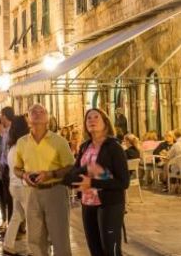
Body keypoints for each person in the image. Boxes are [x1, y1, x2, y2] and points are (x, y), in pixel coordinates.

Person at [14, 104, 75, 256]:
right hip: (31, 193)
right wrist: (24, 175)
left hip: (55, 191)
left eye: (41, 111)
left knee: (60, 238)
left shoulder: (59, 141)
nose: (37, 113)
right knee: (34, 239)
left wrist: (50, 174)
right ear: (28, 119)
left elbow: (70, 167)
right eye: (33, 111)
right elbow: (16, 168)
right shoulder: (22, 142)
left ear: (47, 118)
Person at [69, 108, 129, 256]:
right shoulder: (84, 147)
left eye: (96, 117)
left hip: (109, 204)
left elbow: (123, 182)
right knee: (95, 249)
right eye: (88, 118)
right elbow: (76, 172)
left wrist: (93, 182)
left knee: (110, 250)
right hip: (87, 204)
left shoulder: (114, 147)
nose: (92, 120)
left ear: (105, 123)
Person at [3, 115, 31, 256]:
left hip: (14, 186)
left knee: (17, 215)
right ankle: (33, 249)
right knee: (31, 217)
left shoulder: (12, 147)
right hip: (23, 186)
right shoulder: (23, 146)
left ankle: (8, 245)